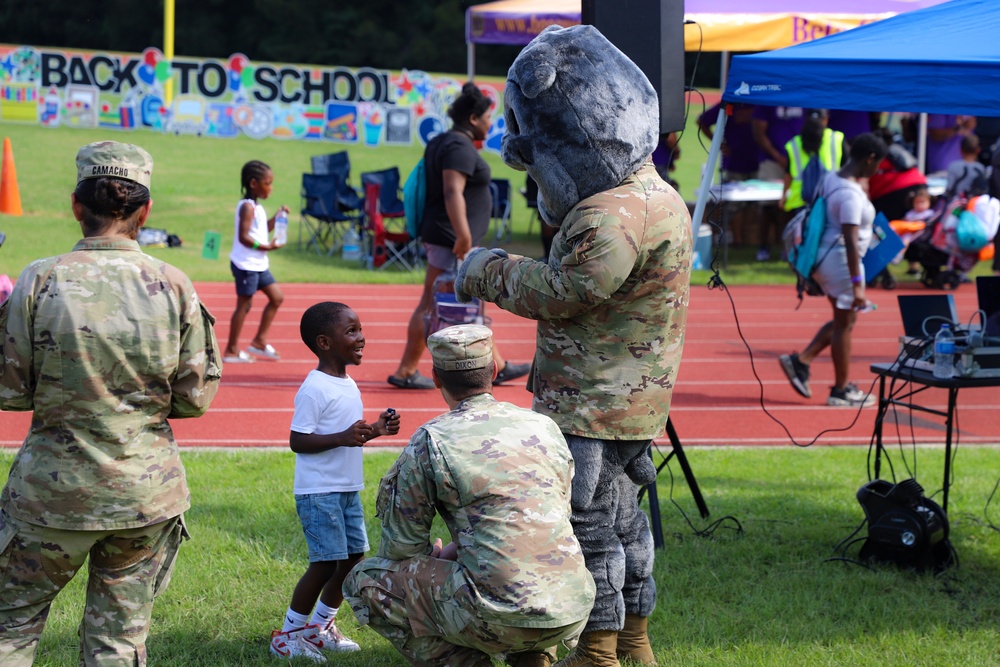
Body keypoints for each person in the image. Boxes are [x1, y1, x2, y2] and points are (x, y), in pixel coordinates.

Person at [455, 25, 691, 666]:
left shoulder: (610, 213)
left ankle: (600, 650)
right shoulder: (658, 195)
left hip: (591, 405)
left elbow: (570, 288)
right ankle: (634, 642)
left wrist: (487, 268)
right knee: (626, 522)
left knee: (590, 529)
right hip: (632, 400)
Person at [0, 140, 222, 664]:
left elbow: (8, 391)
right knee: (118, 641)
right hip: (144, 495)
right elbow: (194, 400)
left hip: (50, 495)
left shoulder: (39, 279)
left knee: (10, 626)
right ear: (145, 211)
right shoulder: (175, 285)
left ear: (77, 207)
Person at [345, 324, 595, 667]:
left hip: (500, 612)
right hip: (572, 603)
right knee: (510, 568)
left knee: (366, 580)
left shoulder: (432, 440)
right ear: (493, 370)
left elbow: (401, 548)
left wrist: (435, 556)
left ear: (435, 378)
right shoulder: (541, 425)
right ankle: (533, 656)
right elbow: (543, 517)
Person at [270, 301, 400, 662]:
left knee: (353, 558)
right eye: (352, 331)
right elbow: (299, 440)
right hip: (319, 491)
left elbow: (347, 435)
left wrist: (375, 429)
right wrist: (342, 436)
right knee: (325, 562)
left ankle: (320, 627)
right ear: (325, 343)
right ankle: (289, 635)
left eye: (360, 329)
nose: (361, 338)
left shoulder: (347, 382)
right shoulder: (314, 388)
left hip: (345, 488)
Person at [387, 83, 529, 390]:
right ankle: (406, 370)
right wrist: (463, 235)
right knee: (432, 303)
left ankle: (498, 366)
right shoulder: (457, 147)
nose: (491, 124)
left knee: (469, 302)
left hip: (448, 235)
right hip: (451, 238)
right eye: (489, 117)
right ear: (474, 118)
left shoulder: (444, 141)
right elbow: (453, 190)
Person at [779, 132, 889, 408]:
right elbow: (851, 242)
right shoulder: (849, 194)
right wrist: (858, 284)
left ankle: (801, 361)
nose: (877, 171)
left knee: (843, 321)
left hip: (830, 259)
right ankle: (840, 391)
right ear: (870, 159)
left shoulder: (833, 177)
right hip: (841, 263)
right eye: (878, 165)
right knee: (845, 325)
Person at [224, 159, 287, 364]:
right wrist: (268, 247)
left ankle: (259, 341)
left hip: (259, 264)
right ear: (253, 184)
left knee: (276, 297)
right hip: (246, 265)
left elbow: (261, 231)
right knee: (244, 305)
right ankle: (231, 350)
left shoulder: (257, 208)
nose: (271, 187)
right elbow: (244, 237)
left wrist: (277, 217)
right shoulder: (247, 208)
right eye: (267, 183)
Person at [697, 101, 759, 246]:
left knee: (754, 205)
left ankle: (749, 240)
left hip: (757, 162)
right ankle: (737, 240)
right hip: (734, 164)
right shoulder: (729, 103)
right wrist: (719, 144)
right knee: (734, 204)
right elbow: (701, 121)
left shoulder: (760, 102)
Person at [753, 105, 805, 260]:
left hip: (798, 160)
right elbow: (759, 132)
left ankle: (787, 247)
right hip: (771, 161)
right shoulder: (769, 95)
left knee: (791, 206)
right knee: (767, 206)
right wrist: (778, 157)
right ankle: (763, 247)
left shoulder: (803, 94)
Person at [780, 109, 845, 220]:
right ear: (825, 119)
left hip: (801, 203)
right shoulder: (837, 139)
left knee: (804, 236)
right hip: (830, 198)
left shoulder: (794, 143)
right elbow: (847, 168)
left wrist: (784, 196)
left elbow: (788, 173)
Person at [944, 134, 987, 198]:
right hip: (974, 204)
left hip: (956, 204)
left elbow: (949, 188)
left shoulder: (953, 166)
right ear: (978, 150)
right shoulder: (981, 167)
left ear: (960, 150)